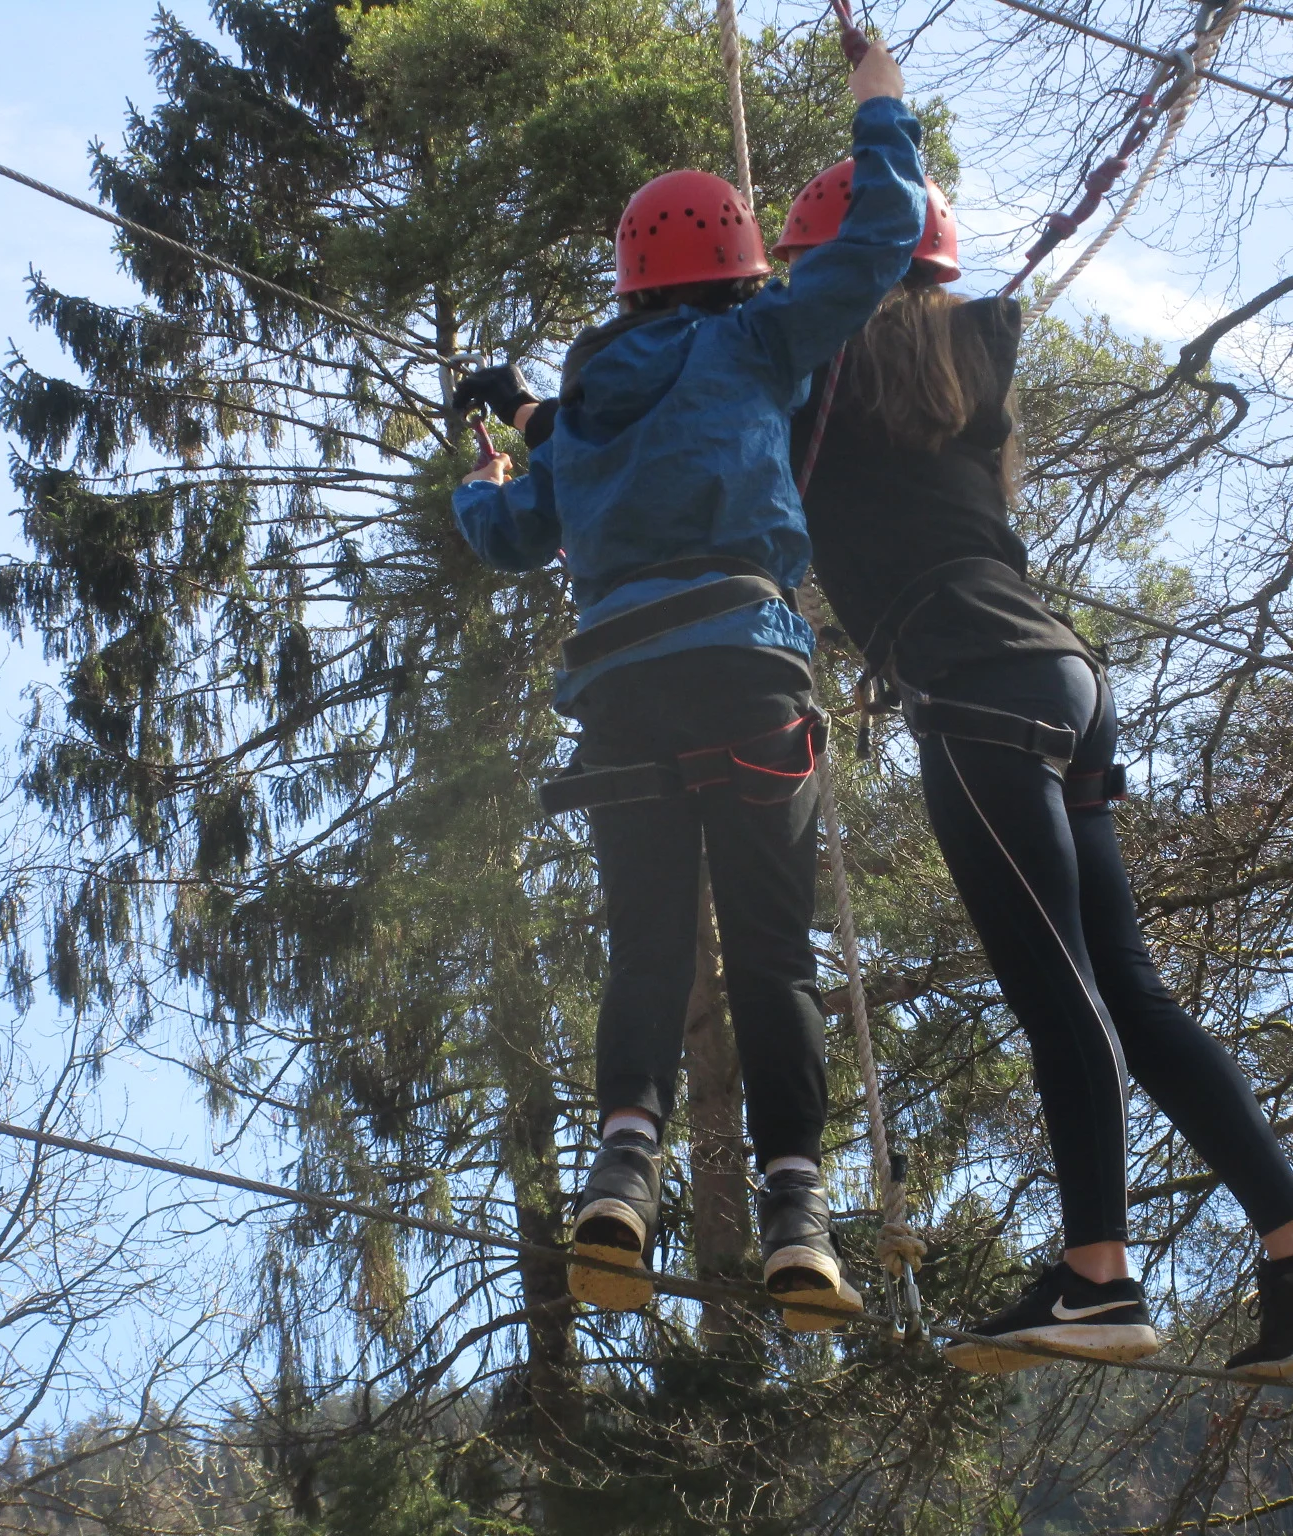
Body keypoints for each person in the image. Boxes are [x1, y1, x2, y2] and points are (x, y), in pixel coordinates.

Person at [773, 172, 1293, 1379]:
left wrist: (550, 427)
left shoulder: (819, 377)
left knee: (1060, 990)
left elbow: (692, 419)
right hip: (1062, 681)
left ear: (825, 270)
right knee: (1126, 992)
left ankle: (1097, 1280)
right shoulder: (960, 376)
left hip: (978, 691)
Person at [448, 42, 927, 1329]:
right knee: (772, 952)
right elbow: (882, 231)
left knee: (645, 943)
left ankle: (621, 1172)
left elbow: (504, 538)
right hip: (739, 667)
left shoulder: (588, 402)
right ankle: (794, 1213)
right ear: (736, 271)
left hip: (620, 695)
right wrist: (876, 100)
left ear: (631, 277)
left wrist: (485, 465)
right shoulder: (758, 338)